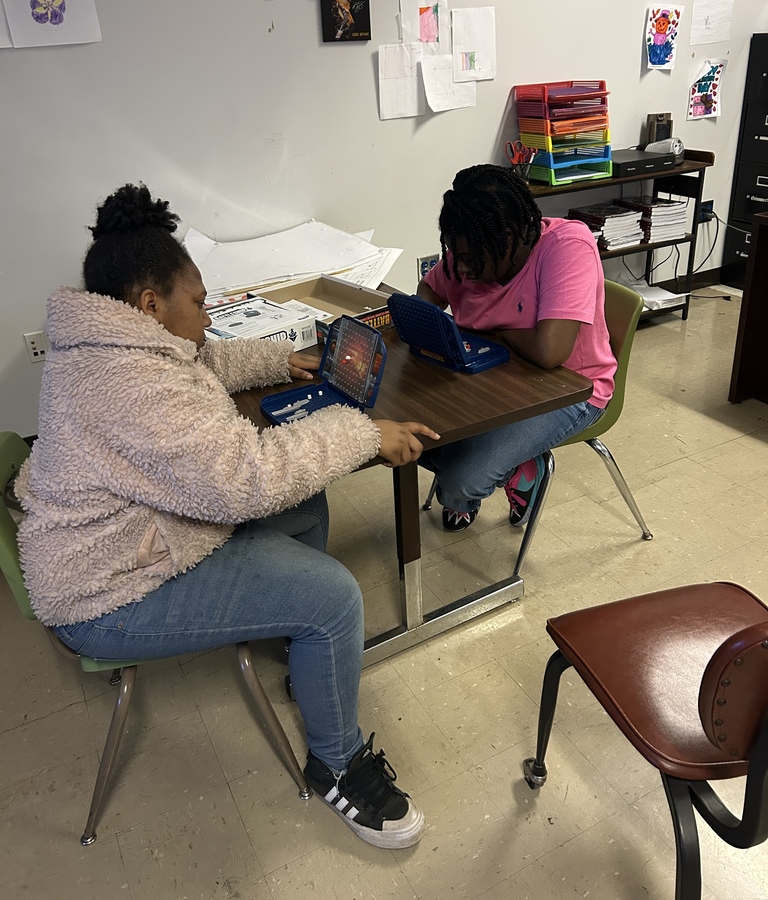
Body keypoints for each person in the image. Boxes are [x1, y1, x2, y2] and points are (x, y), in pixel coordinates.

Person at [16, 183, 440, 850]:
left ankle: (307, 659)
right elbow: (245, 481)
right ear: (150, 303)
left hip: (113, 542)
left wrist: (279, 358)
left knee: (306, 503)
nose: (208, 315)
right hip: (105, 593)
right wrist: (362, 433)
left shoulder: (109, 345)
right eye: (199, 300)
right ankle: (337, 764)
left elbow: (197, 360)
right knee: (334, 599)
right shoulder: (129, 383)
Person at [416, 164, 616, 532]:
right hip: (492, 378)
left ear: (508, 238)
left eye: (472, 260)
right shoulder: (471, 248)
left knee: (461, 482)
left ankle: (522, 468)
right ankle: (503, 461)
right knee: (409, 438)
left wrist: (495, 333)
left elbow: (550, 352)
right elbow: (430, 292)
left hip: (569, 389)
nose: (462, 269)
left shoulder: (568, 246)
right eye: (455, 255)